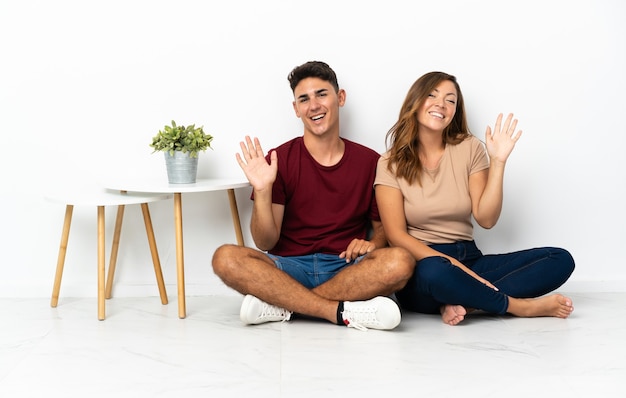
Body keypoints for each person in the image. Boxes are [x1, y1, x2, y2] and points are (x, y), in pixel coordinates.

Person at [212, 61, 415, 331]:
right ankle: (338, 311)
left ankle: (284, 306)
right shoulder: (279, 159)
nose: (314, 106)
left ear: (340, 98)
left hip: (346, 267)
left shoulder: (370, 161)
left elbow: (381, 231)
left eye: (322, 94)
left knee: (401, 261)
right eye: (304, 99)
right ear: (296, 109)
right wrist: (262, 190)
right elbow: (264, 241)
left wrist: (372, 245)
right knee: (224, 258)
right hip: (287, 268)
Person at [374, 71, 575, 326]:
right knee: (437, 273)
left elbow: (486, 218)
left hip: (469, 256)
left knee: (559, 259)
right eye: (431, 95)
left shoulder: (469, 147)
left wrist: (498, 163)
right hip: (423, 266)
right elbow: (396, 236)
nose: (441, 104)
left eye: (450, 100)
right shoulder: (390, 162)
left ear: (455, 111)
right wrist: (460, 272)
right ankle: (517, 306)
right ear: (415, 101)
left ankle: (466, 304)